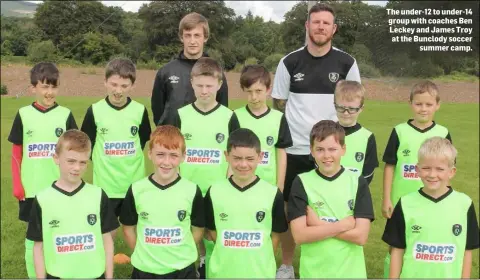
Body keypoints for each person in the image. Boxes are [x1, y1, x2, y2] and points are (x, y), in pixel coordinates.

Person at [271, 3, 361, 277]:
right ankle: (287, 265)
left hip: (329, 151)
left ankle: (329, 264)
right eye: (316, 22)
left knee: (332, 209)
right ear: (307, 26)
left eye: (326, 23)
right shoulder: (289, 62)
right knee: (290, 211)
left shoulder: (347, 63)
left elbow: (353, 99)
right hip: (296, 149)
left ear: (334, 29)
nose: (320, 27)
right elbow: (278, 102)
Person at [164, 57, 239, 278]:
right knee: (189, 232)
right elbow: (173, 152)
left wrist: (227, 184)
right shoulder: (181, 115)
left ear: (219, 84)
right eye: (200, 86)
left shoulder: (228, 117)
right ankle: (192, 267)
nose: (204, 91)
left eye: (209, 86)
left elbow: (233, 155)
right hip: (187, 188)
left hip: (218, 188)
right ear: (192, 83)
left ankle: (214, 268)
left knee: (215, 233)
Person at [8, 62, 77, 278]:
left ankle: (59, 273)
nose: (49, 92)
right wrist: (18, 185)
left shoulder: (66, 115)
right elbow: (16, 154)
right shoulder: (23, 114)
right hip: (32, 189)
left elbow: (75, 153)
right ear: (33, 88)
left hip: (61, 189)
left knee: (61, 236)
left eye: (53, 87)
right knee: (34, 239)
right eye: (44, 87)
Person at [80, 57, 152, 263]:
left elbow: (143, 140)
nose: (118, 90)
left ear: (132, 85)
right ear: (105, 82)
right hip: (106, 185)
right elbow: (88, 145)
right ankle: (101, 267)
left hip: (134, 185)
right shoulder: (94, 111)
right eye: (113, 84)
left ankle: (145, 264)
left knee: (137, 229)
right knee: (106, 232)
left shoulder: (139, 111)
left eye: (124, 85)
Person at [382, 80, 452, 277]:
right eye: (418, 104)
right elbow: (390, 166)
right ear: (410, 103)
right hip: (400, 201)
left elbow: (447, 169)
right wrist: (386, 198)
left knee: (423, 241)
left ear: (437, 105)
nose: (423, 109)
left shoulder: (443, 133)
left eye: (428, 104)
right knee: (395, 244)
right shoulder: (399, 131)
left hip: (430, 200)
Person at [26, 129, 119, 279]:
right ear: (56, 158)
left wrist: (109, 277)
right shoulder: (43, 199)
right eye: (71, 161)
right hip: (58, 275)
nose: (77, 168)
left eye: (83, 162)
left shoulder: (98, 195)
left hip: (94, 275)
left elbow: (107, 241)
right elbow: (38, 247)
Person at [382, 137, 479, 278]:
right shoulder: (405, 203)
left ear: (451, 172)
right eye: (426, 168)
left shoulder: (464, 204)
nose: (432, 175)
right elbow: (397, 250)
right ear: (417, 169)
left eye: (440, 169)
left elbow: (467, 250)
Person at [288, 120, 374, 278]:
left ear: (343, 149)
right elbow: (300, 236)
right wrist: (342, 225)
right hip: (314, 273)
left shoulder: (357, 181)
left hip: (351, 274)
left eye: (332, 149)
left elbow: (361, 237)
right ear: (311, 151)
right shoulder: (301, 182)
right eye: (319, 149)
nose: (326, 155)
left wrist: (318, 225)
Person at [119, 125, 204, 279]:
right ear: (150, 154)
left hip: (182, 270)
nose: (166, 161)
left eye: (173, 155)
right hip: (145, 270)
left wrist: (180, 250)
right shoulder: (137, 189)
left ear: (183, 156)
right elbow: (128, 229)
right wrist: (144, 253)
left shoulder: (191, 190)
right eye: (160, 154)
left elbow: (198, 229)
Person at [204, 128, 287, 278]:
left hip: (259, 273)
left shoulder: (273, 194)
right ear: (226, 156)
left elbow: (275, 237)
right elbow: (212, 232)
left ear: (260, 157)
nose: (243, 165)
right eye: (237, 158)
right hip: (223, 273)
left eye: (249, 159)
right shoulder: (214, 192)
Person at [151, 12, 228, 126]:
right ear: (181, 38)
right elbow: (158, 110)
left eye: (197, 35)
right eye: (188, 35)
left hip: (203, 138)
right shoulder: (166, 71)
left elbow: (222, 108)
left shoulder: (216, 71)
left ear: (205, 38)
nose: (192, 41)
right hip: (172, 140)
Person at [234, 64, 293, 189]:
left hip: (268, 187)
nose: (254, 97)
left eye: (258, 91)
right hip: (241, 185)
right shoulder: (236, 116)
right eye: (249, 91)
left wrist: (280, 186)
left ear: (268, 90)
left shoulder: (278, 118)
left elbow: (281, 154)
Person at [334, 80, 378, 184]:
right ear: (334, 105)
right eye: (341, 107)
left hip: (355, 195)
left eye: (352, 109)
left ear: (361, 108)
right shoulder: (325, 133)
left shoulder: (368, 137)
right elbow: (316, 164)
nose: (346, 113)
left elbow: (368, 173)